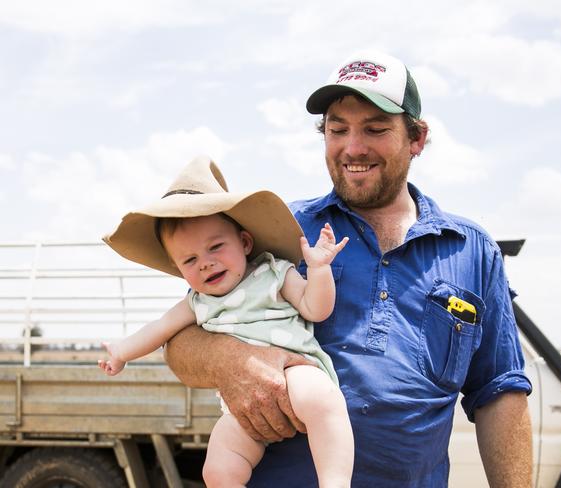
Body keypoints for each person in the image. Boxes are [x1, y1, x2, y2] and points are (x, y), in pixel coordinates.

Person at [165, 50, 533, 487]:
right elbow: (181, 341)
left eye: (375, 129)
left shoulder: (470, 250)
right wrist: (232, 360)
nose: (352, 148)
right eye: (337, 130)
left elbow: (499, 391)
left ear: (416, 138)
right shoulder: (279, 230)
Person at [99, 156, 354, 488]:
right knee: (217, 469)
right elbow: (160, 329)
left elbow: (315, 308)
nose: (205, 264)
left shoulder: (272, 272)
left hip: (297, 372)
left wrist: (319, 270)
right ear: (180, 270)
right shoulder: (197, 302)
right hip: (243, 405)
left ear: (245, 243)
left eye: (215, 247)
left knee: (325, 402)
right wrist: (121, 352)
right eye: (190, 260)